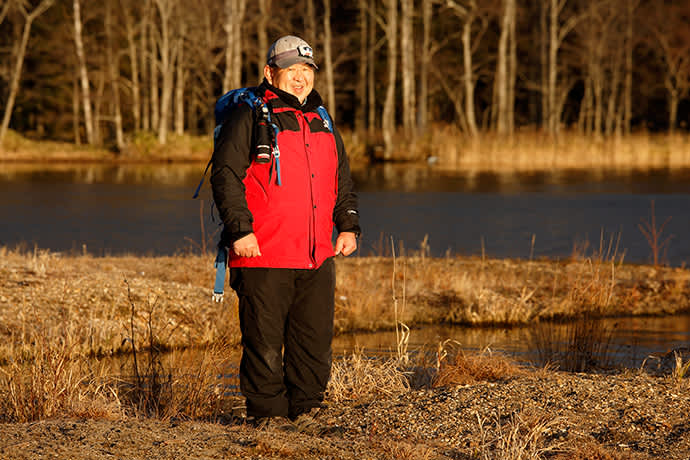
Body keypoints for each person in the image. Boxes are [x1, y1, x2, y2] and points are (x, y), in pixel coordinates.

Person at [210, 35, 361, 429]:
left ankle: (308, 413)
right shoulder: (250, 115)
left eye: (306, 70)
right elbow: (225, 174)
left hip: (316, 255)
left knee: (312, 344)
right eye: (291, 70)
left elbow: (341, 177)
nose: (300, 78)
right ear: (270, 72)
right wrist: (240, 230)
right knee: (263, 344)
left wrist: (347, 224)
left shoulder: (322, 119)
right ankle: (268, 418)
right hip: (263, 252)